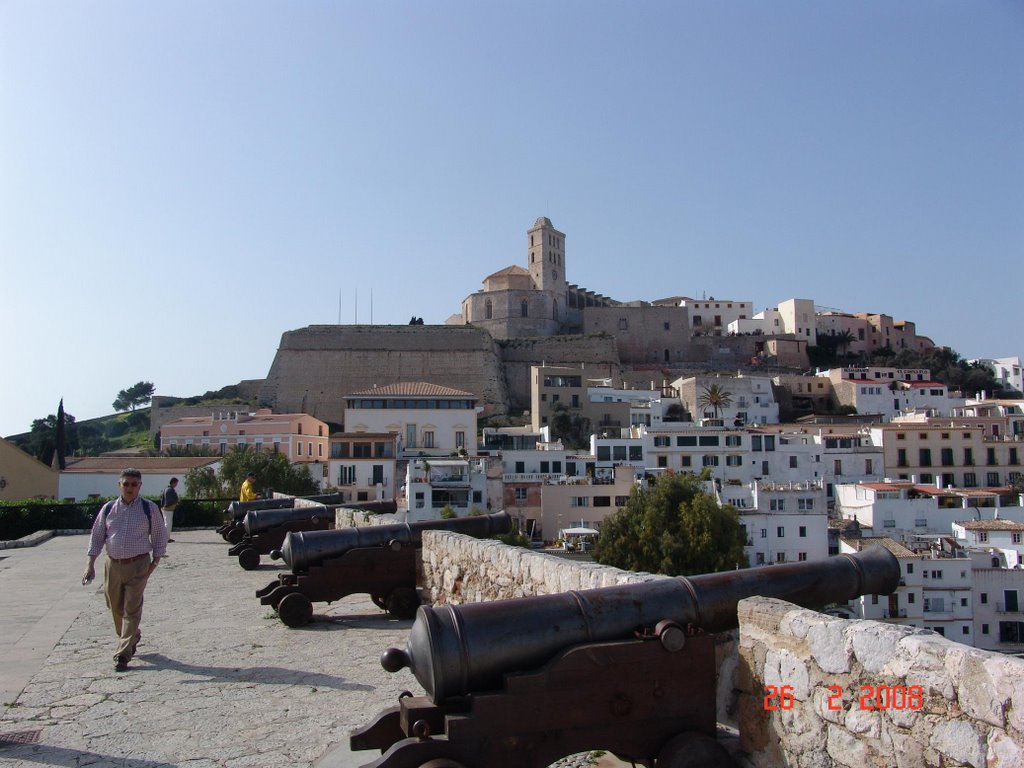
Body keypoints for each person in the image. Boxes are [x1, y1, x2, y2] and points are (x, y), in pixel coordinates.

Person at [82, 468, 169, 672]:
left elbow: (159, 535)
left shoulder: (149, 509)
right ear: (119, 485)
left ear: (140, 486)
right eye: (126, 484)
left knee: (132, 608)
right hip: (113, 564)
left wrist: (154, 563)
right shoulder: (108, 509)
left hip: (138, 564)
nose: (130, 488)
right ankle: (132, 636)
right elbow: (97, 537)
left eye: (134, 484)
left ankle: (123, 653)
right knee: (115, 607)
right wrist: (89, 565)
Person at [159, 477, 180, 542]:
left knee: (167, 523)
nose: (176, 484)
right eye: (176, 483)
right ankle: (166, 538)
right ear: (173, 482)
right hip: (168, 508)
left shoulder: (167, 489)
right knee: (168, 524)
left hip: (165, 508)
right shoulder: (170, 490)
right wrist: (177, 501)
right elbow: (170, 500)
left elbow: (162, 498)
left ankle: (166, 537)